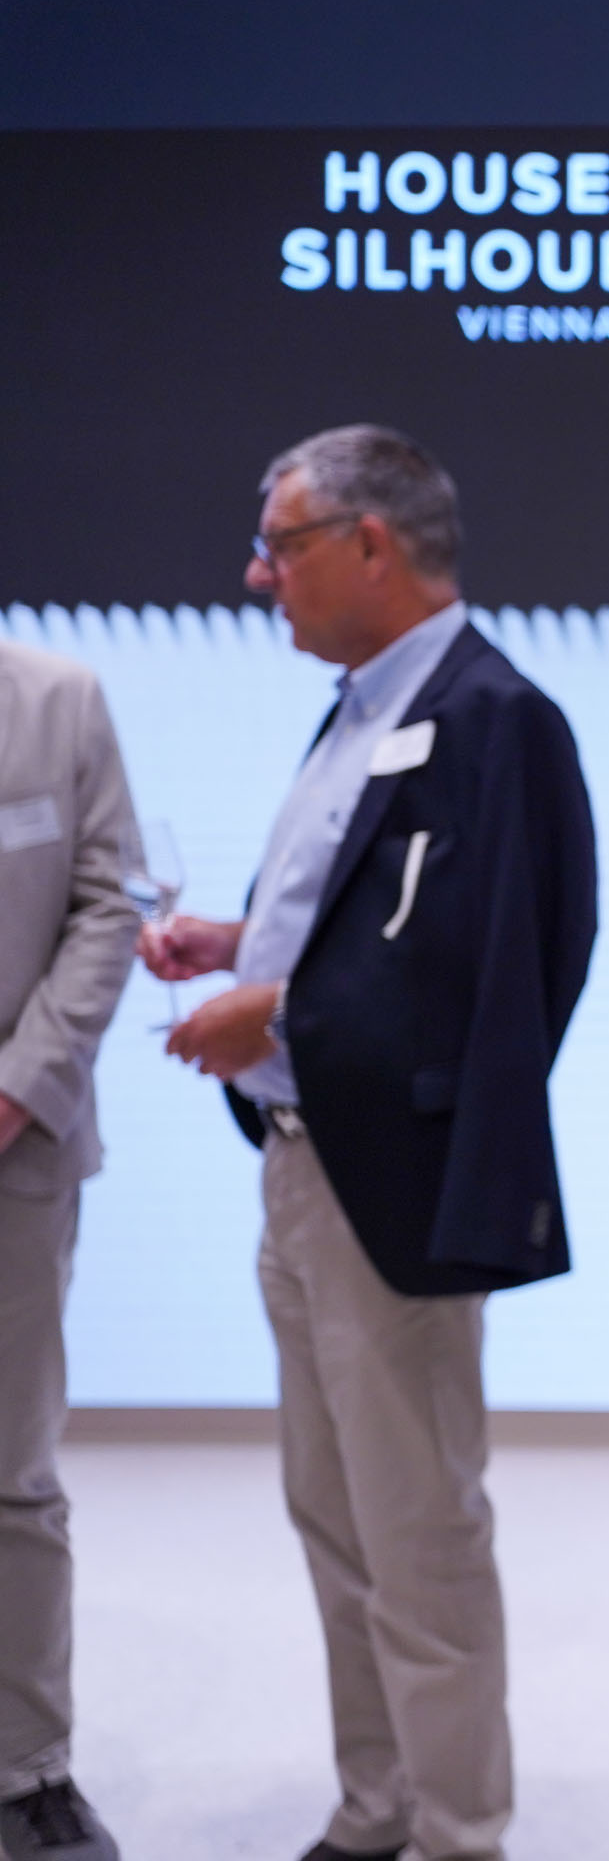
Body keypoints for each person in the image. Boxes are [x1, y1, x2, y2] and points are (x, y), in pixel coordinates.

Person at [144, 425, 597, 1861]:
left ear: (371, 545)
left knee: (418, 1536)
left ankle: (459, 1830)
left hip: (391, 1182)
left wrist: (280, 1005)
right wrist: (243, 945)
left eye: (280, 544)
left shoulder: (495, 716)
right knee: (335, 1518)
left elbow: (507, 971)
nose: (257, 573)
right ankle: (378, 1802)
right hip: (298, 1160)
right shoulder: (359, 710)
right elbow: (381, 926)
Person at [0, 645, 141, 1861]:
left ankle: (27, 1767)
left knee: (12, 1475)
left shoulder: (58, 699)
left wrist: (18, 1086)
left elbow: (108, 903)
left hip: (15, 1150)